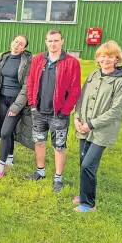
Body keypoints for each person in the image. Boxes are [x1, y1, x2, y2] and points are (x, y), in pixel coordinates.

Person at [73, 41, 122, 212]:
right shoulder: (93, 75)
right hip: (83, 126)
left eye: (110, 56)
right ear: (97, 58)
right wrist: (77, 117)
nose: (106, 59)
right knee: (84, 162)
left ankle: (89, 204)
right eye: (102, 56)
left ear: (117, 59)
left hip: (101, 130)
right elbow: (81, 98)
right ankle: (84, 194)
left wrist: (90, 125)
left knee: (88, 165)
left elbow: (116, 110)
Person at [26, 29, 81, 192]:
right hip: (39, 111)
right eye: (50, 41)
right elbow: (31, 82)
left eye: (56, 40)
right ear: (46, 42)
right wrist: (32, 104)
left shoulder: (71, 62)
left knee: (59, 146)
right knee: (39, 141)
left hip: (59, 113)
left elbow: (75, 90)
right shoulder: (38, 60)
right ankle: (40, 171)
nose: (53, 44)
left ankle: (58, 178)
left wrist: (65, 110)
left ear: (62, 41)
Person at [0, 35, 33, 179]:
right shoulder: (4, 58)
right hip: (2, 99)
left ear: (24, 48)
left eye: (21, 44)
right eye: (16, 42)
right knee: (6, 131)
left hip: (16, 102)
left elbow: (27, 86)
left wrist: (16, 106)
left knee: (6, 132)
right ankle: (9, 159)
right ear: (11, 42)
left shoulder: (26, 62)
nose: (17, 45)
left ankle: (0, 168)